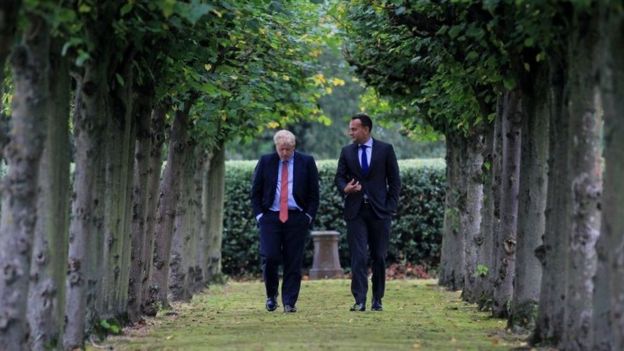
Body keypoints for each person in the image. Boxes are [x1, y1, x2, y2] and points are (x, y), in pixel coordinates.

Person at [335, 113, 401, 312]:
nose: (350, 132)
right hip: (355, 212)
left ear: (366, 129)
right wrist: (345, 188)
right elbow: (339, 178)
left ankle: (377, 299)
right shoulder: (347, 151)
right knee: (358, 256)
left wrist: (389, 207)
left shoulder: (385, 150)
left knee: (379, 256)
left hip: (380, 212)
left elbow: (395, 181)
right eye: (350, 129)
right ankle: (360, 300)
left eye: (354, 129)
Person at [251, 129, 320, 313]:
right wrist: (260, 216)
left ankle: (289, 301)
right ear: (276, 147)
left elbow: (314, 194)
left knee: (293, 260)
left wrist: (308, 216)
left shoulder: (306, 162)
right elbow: (255, 192)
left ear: (294, 147)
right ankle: (271, 295)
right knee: (271, 256)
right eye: (282, 149)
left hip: (296, 217)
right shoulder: (266, 161)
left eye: (288, 149)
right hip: (271, 217)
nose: (285, 153)